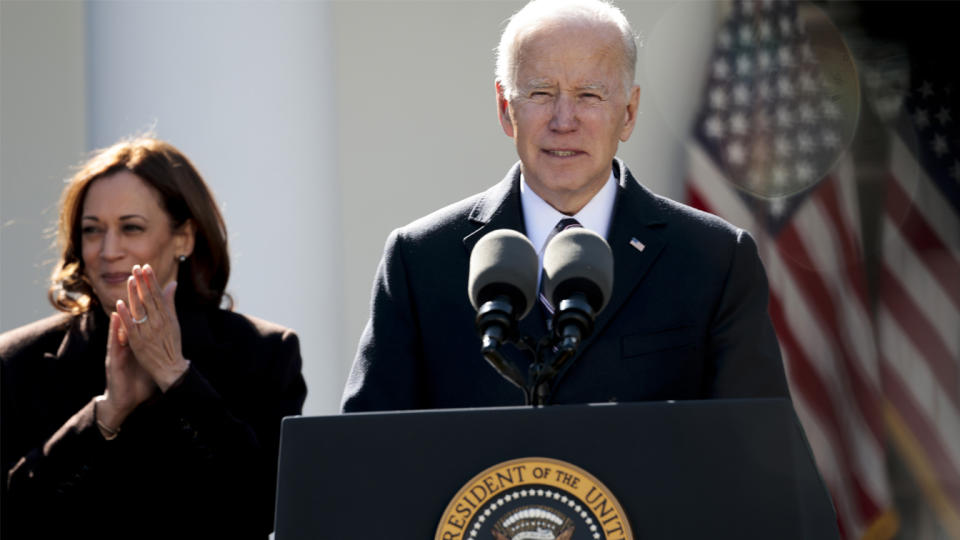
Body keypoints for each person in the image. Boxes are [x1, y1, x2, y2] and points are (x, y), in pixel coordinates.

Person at [341, 0, 789, 412]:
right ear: (504, 108)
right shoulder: (420, 261)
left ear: (629, 113)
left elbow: (756, 453)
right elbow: (366, 454)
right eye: (540, 93)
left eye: (589, 95)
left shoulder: (714, 259)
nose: (563, 120)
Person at [0, 136, 307, 539]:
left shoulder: (263, 352)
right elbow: (12, 517)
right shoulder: (17, 360)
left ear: (184, 237)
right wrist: (104, 415)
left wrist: (177, 379)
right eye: (92, 231)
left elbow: (264, 505)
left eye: (131, 228)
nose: (108, 250)